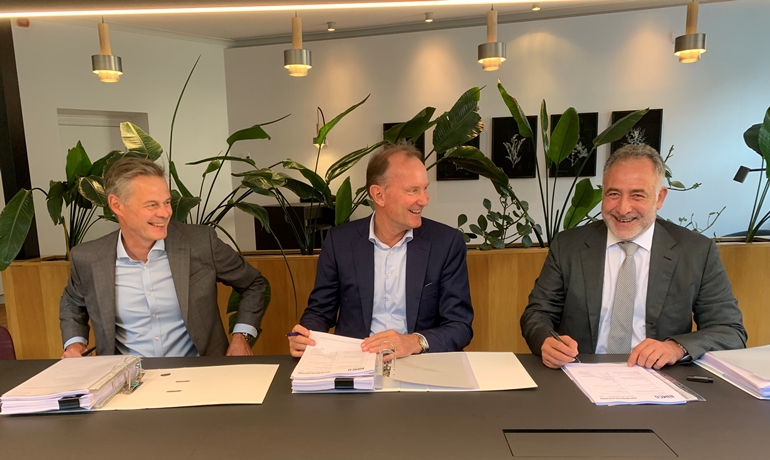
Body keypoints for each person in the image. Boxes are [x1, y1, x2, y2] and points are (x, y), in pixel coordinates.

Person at [520, 144, 747, 369]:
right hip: (580, 372)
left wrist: (676, 347)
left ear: (660, 198)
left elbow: (730, 331)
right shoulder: (568, 245)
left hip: (661, 377)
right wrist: (546, 341)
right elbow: (537, 313)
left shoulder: (696, 251)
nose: (623, 208)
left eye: (637, 195)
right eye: (613, 194)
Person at [59, 157, 266, 357]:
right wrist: (75, 343)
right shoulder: (88, 258)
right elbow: (72, 302)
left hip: (201, 372)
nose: (165, 213)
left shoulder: (201, 243)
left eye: (167, 202)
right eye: (152, 205)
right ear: (117, 205)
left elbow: (253, 283)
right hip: (127, 376)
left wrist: (241, 336)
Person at [288, 144, 474, 358]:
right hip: (355, 361)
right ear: (379, 195)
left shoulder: (446, 243)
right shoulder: (339, 242)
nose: (424, 200)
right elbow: (320, 311)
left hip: (418, 360)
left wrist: (413, 342)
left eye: (425, 188)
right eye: (413, 190)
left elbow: (460, 326)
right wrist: (306, 336)